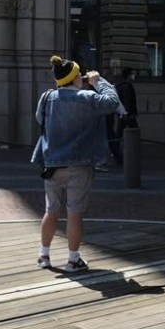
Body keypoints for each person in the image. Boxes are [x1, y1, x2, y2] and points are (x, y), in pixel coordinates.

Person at [32, 54, 119, 272]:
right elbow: (112, 103)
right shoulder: (87, 98)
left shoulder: (47, 97)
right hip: (79, 164)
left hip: (51, 163)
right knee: (74, 213)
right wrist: (99, 81)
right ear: (74, 78)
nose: (82, 77)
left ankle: (44, 255)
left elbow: (39, 119)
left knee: (51, 210)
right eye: (80, 75)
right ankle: (73, 260)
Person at [109, 67, 139, 165]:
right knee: (133, 131)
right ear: (129, 75)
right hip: (127, 114)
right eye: (132, 74)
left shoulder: (120, 85)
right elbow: (128, 100)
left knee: (119, 132)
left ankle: (115, 151)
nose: (134, 76)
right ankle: (118, 152)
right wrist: (128, 113)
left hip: (123, 113)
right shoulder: (126, 86)